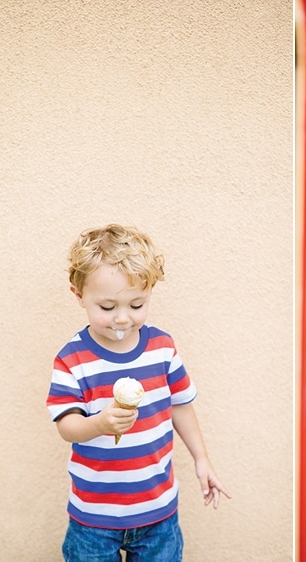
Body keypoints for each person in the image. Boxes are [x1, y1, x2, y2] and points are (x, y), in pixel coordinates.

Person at [46, 224, 230, 561]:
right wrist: (99, 424)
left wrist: (202, 459)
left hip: (158, 513)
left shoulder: (162, 347)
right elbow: (66, 425)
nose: (122, 318)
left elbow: (181, 407)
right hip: (93, 517)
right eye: (106, 307)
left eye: (136, 304)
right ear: (78, 296)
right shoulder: (72, 359)